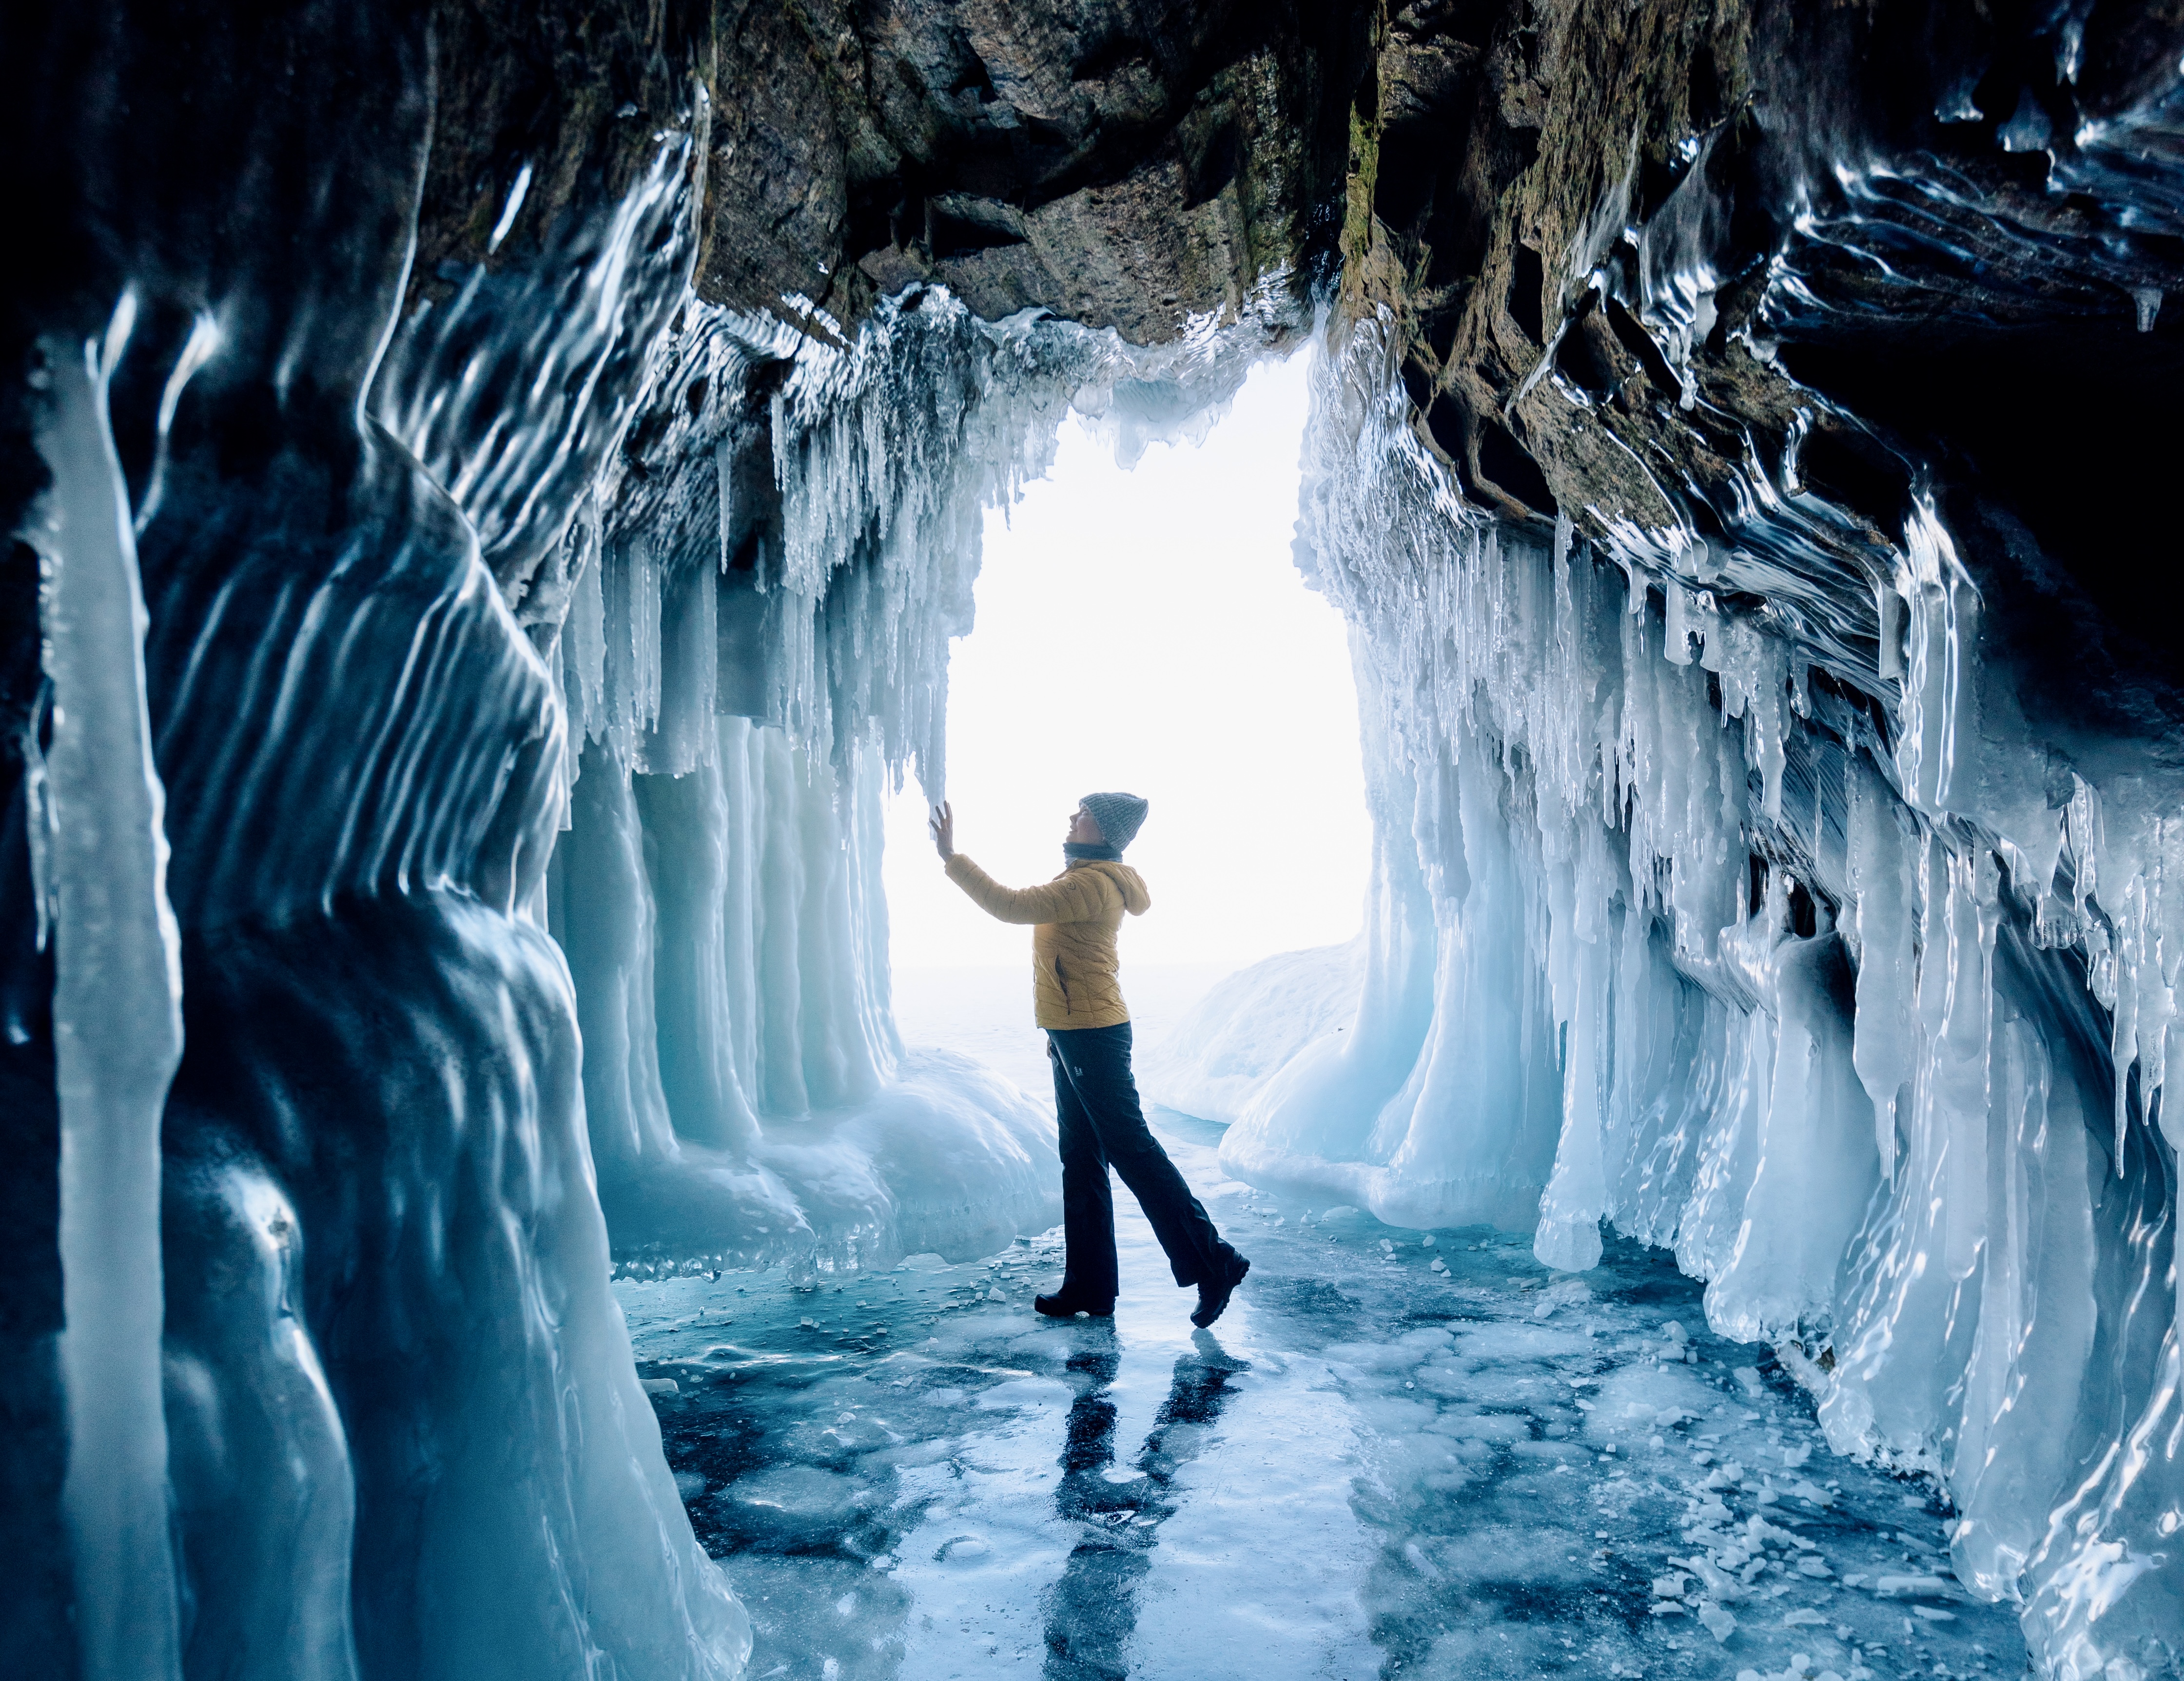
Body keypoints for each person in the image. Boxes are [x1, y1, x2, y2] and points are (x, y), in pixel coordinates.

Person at [930, 792, 1251, 1328]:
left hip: (1092, 1032)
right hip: (1073, 1030)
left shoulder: (1089, 884)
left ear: (1102, 829)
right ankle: (1090, 1285)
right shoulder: (1082, 876)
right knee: (1081, 1157)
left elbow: (1009, 905)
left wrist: (951, 857)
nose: (1069, 819)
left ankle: (1213, 1258)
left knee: (1131, 1148)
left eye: (1080, 815)